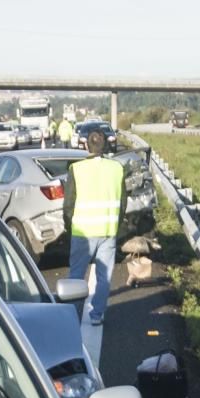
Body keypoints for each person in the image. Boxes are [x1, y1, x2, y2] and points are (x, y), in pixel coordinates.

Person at [63, 130, 126, 326]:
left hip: (82, 231)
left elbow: (68, 205)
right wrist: (116, 224)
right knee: (104, 277)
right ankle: (97, 314)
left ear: (86, 146)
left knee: (76, 277)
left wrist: (69, 226)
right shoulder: (117, 168)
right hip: (108, 230)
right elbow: (123, 202)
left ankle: (73, 315)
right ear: (106, 146)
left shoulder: (76, 169)